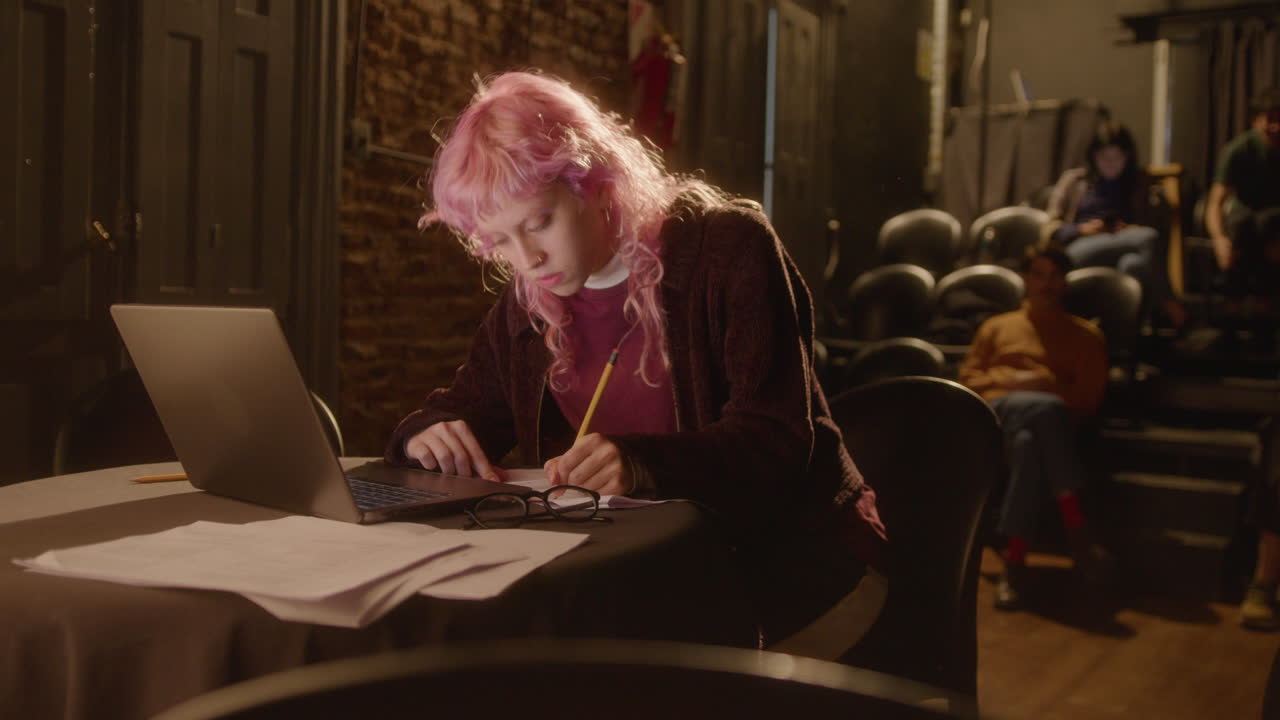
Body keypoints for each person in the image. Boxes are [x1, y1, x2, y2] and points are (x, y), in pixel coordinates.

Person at [383, 71, 886, 641]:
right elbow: (466, 410)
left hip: (796, 562)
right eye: (499, 241)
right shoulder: (531, 299)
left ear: (597, 186)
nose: (526, 260)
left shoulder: (728, 249)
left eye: (539, 222)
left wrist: (643, 463)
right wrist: (425, 434)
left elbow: (777, 441)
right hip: (649, 575)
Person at [958, 246, 1112, 610]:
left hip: (1044, 428)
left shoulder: (1086, 336)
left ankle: (1014, 565)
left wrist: (1045, 386)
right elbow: (968, 381)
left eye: (1055, 276)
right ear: (1026, 280)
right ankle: (1077, 528)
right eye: (1039, 275)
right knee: (1044, 409)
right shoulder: (997, 327)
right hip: (998, 418)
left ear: (1065, 282)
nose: (1047, 284)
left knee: (1031, 441)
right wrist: (1014, 382)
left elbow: (1087, 399)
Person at [1046, 121, 1186, 327]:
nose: (1110, 164)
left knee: (1133, 265)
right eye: (1104, 157)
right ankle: (1171, 305)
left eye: (1117, 157)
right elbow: (1050, 227)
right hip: (1079, 248)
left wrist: (1129, 230)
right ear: (1093, 156)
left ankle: (1125, 334)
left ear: (1127, 157)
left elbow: (1153, 224)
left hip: (1125, 245)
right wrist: (1082, 229)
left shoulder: (1139, 183)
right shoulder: (1075, 180)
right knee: (1148, 238)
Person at [1206, 88, 1280, 289]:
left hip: (1274, 217)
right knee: (1242, 227)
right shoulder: (1238, 150)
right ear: (1255, 121)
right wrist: (1219, 240)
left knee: (1268, 224)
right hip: (1245, 214)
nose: (1276, 127)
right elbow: (1215, 203)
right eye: (1270, 120)